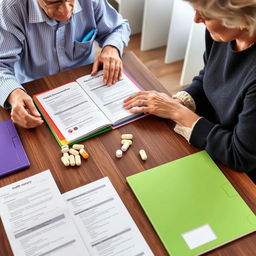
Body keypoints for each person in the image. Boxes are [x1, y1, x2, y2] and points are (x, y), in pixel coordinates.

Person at [124, 0, 256, 182]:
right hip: (212, 140)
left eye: (205, 14)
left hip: (242, 177)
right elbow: (209, 76)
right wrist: (179, 102)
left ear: (243, 17)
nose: (196, 19)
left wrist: (176, 111)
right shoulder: (220, 34)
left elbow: (239, 155)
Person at [0, 0, 130, 128]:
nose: (66, 12)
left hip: (88, 83)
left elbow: (118, 27)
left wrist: (111, 47)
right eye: (54, 2)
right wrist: (14, 94)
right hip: (35, 91)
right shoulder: (11, 8)